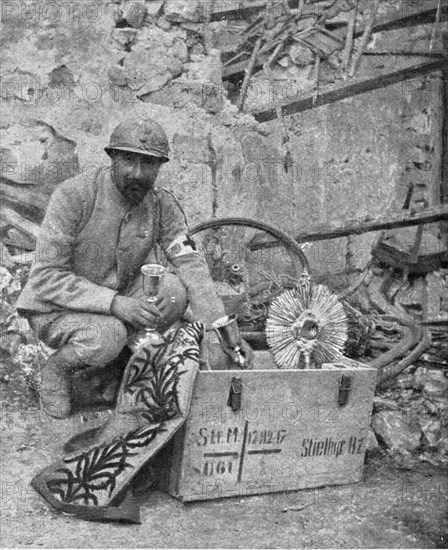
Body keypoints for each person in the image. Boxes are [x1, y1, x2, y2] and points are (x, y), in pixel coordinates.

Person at [16, 117, 252, 419]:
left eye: (149, 164)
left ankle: (112, 370)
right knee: (108, 335)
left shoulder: (161, 204)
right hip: (58, 308)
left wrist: (223, 327)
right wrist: (114, 303)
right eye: (128, 160)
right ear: (113, 158)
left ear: (159, 166)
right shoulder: (73, 196)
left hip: (119, 301)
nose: (138, 174)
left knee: (173, 292)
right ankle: (57, 370)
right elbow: (46, 277)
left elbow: (191, 264)